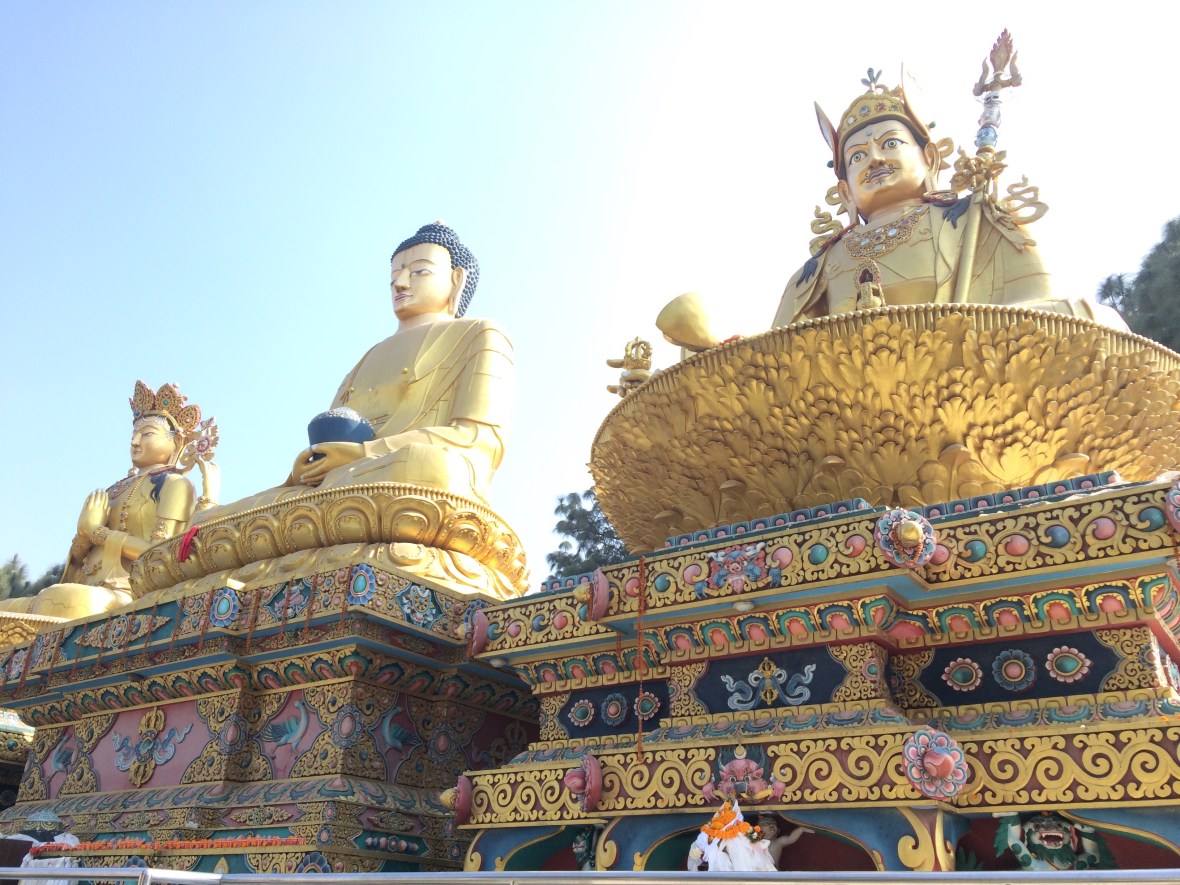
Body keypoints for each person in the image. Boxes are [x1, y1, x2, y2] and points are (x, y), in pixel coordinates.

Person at [201, 222, 513, 517]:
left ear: (456, 279)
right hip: (342, 485)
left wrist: (363, 454)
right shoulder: (365, 360)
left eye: (419, 272)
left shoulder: (480, 334)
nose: (401, 284)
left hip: (408, 479)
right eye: (394, 277)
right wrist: (308, 467)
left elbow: (478, 439)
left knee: (435, 468)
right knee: (220, 518)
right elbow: (329, 441)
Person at [773, 73, 1124, 329]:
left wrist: (960, 335)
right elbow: (775, 353)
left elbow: (1036, 306)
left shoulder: (976, 218)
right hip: (845, 401)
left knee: (1091, 318)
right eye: (857, 157)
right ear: (845, 190)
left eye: (891, 143)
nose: (875, 159)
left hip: (965, 372)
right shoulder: (821, 266)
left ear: (929, 157)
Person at [1, 382, 216, 620]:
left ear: (176, 442)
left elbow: (160, 556)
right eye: (134, 434)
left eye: (147, 434)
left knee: (64, 599)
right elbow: (77, 566)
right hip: (87, 587)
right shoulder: (114, 490)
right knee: (10, 607)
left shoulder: (175, 484)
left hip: (129, 591)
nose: (135, 442)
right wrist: (83, 537)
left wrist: (98, 533)